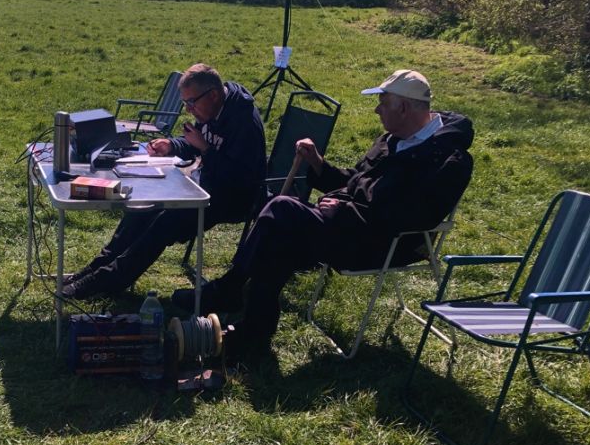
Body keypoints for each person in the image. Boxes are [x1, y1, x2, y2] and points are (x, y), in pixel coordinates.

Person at [173, 69, 474, 359]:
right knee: (278, 237)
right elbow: (355, 181)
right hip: (346, 227)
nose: (377, 110)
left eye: (383, 103)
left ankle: (229, 290)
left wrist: (346, 209)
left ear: (404, 108)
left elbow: (412, 216)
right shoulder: (393, 139)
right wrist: (318, 163)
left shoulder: (447, 159)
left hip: (382, 243)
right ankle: (252, 330)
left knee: (282, 208)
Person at [61, 63, 267, 299]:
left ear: (213, 94)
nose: (189, 110)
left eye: (192, 102)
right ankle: (98, 267)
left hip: (234, 198)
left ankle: (105, 281)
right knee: (143, 207)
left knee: (165, 222)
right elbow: (194, 142)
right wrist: (172, 145)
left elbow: (241, 177)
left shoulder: (244, 122)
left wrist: (206, 150)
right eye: (185, 103)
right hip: (203, 186)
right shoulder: (211, 108)